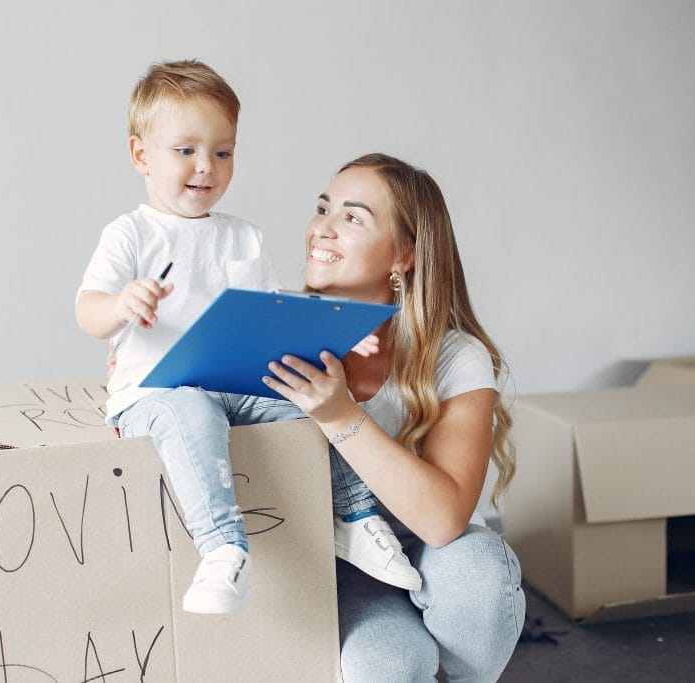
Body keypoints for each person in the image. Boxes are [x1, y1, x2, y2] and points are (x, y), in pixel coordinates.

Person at [76, 61, 418, 615]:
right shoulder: (130, 233)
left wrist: (335, 331)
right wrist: (119, 305)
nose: (205, 167)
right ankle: (221, 549)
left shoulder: (244, 235)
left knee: (311, 409)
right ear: (141, 154)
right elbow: (87, 313)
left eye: (222, 152)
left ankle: (355, 517)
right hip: (157, 394)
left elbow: (273, 315)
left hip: (234, 386)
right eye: (185, 150)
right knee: (191, 414)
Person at [262, 153, 525, 681]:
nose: (322, 229)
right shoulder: (268, 331)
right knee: (387, 666)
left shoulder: (454, 357)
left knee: (479, 573)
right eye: (323, 208)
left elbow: (444, 519)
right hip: (337, 567)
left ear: (404, 255)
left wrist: (340, 417)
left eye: (352, 217)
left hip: (427, 551)